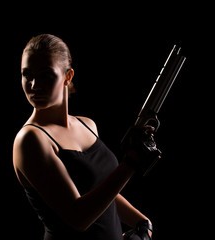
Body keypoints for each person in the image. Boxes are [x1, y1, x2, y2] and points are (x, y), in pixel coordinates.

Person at [12, 33, 161, 240]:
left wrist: (142, 222)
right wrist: (130, 163)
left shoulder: (87, 125)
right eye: (27, 75)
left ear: (68, 76)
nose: (34, 85)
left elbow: (101, 192)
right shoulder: (30, 139)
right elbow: (78, 216)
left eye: (46, 74)